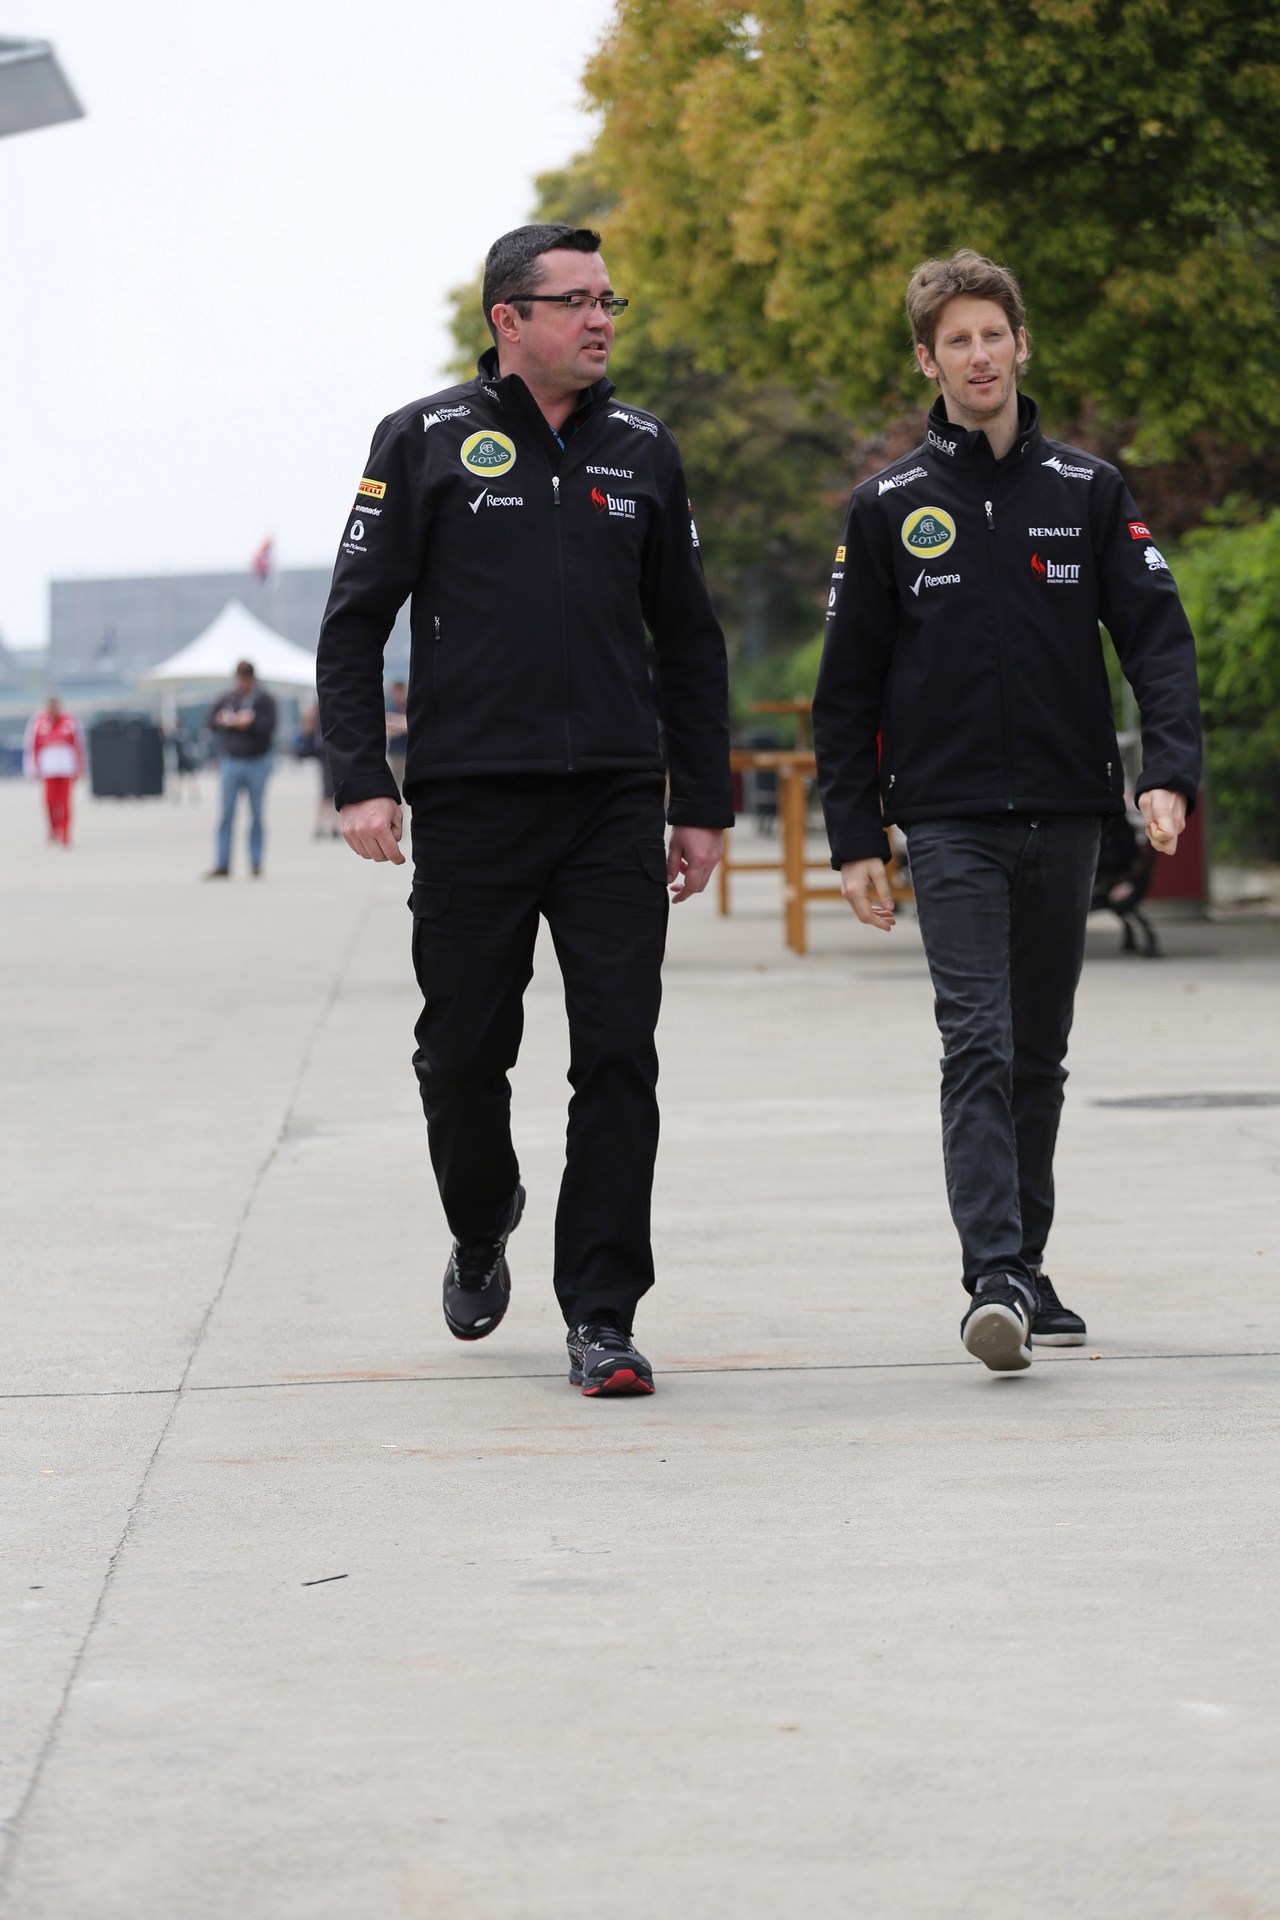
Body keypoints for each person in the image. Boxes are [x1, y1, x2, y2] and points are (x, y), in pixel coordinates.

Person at [317, 223, 732, 1396]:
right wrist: (360, 775)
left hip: (609, 803)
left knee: (615, 1055)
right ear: (509, 320)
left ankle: (602, 1313)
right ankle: (480, 1213)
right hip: (470, 803)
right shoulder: (423, 441)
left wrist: (699, 803)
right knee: (460, 1056)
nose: (600, 320)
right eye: (575, 302)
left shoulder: (643, 451)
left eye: (609, 301)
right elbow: (353, 623)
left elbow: (688, 640)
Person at [813, 249, 1201, 1374]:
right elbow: (846, 693)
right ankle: (990, 1275)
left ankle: (1022, 1268)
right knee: (974, 1040)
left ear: (1018, 346)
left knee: (1038, 1054)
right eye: (955, 341)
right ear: (925, 361)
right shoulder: (884, 507)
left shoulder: (1087, 491)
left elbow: (1157, 645)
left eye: (993, 335)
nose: (977, 356)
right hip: (946, 819)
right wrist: (855, 841)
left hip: (1070, 813)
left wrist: (1164, 772)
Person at [205, 659, 277, 878]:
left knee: (256, 815)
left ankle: (255, 862)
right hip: (231, 761)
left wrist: (251, 723)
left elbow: (269, 727)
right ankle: (222, 864)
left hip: (257, 761)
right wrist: (223, 721)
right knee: (226, 815)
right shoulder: (228, 698)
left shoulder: (265, 700)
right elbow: (210, 723)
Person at [23, 694, 85, 846]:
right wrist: (32, 768)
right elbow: (32, 745)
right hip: (48, 767)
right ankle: (53, 828)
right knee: (50, 801)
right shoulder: (38, 722)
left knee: (65, 802)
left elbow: (79, 745)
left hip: (66, 767)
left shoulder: (70, 721)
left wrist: (80, 767)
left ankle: (65, 834)